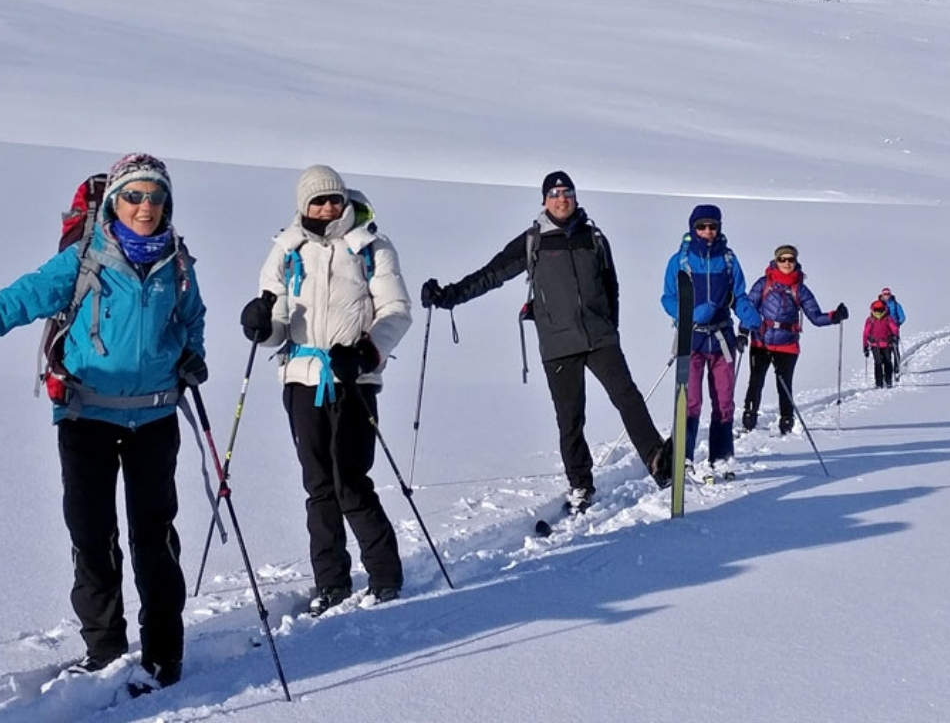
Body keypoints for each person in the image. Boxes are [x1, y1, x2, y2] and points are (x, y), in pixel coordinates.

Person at [0, 153, 204, 690]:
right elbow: (11, 304)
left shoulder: (178, 263)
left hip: (154, 417)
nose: (145, 206)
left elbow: (192, 319)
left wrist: (193, 355)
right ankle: (105, 650)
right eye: (134, 196)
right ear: (114, 202)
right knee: (92, 535)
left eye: (155, 197)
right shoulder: (83, 261)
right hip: (86, 416)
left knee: (154, 539)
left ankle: (163, 657)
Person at [419, 171, 672, 516]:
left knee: (628, 397)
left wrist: (609, 326)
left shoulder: (594, 237)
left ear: (576, 197)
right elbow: (492, 274)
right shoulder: (533, 241)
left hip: (599, 337)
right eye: (554, 194)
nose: (561, 198)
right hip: (558, 343)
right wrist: (450, 295)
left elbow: (610, 285)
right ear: (544, 201)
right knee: (570, 418)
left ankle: (658, 461)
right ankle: (580, 483)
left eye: (567, 192)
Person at [239, 165, 411, 615]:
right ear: (304, 205)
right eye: (318, 201)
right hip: (302, 377)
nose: (329, 207)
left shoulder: (371, 246)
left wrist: (366, 352)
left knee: (350, 480)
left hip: (353, 378)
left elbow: (396, 310)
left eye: (335, 199)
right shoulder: (286, 249)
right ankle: (331, 582)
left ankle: (385, 575)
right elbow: (276, 321)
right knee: (318, 485)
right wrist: (261, 326)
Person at [658, 205, 760, 474]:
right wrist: (689, 314)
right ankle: (684, 456)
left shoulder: (728, 260)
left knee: (724, 402)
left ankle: (722, 456)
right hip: (691, 340)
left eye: (712, 226)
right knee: (690, 401)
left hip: (722, 340)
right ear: (693, 227)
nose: (707, 231)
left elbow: (738, 295)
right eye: (701, 226)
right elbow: (668, 298)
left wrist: (749, 315)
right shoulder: (680, 260)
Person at [743, 244, 848, 436]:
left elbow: (815, 317)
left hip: (787, 344)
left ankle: (786, 421)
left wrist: (834, 316)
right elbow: (748, 308)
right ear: (776, 261)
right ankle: (749, 418)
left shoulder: (800, 289)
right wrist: (743, 331)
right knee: (756, 381)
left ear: (795, 262)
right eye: (782, 259)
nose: (786, 263)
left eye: (790, 259)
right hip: (761, 341)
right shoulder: (763, 283)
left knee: (784, 384)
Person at [863, 299, 900, 389]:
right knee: (887, 362)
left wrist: (865, 346)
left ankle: (879, 383)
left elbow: (865, 334)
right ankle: (888, 381)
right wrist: (895, 337)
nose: (878, 312)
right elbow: (895, 329)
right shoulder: (887, 318)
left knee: (878, 363)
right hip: (886, 344)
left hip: (876, 345)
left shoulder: (871, 319)